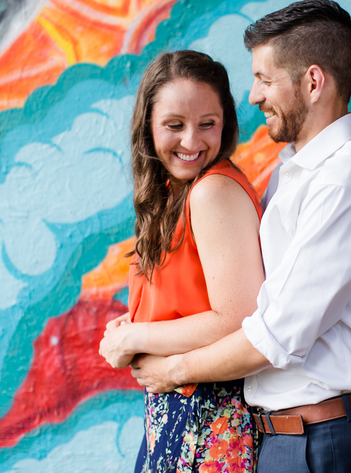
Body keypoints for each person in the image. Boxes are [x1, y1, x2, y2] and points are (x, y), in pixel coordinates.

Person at [130, 0, 351, 472]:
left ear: (313, 82)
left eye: (264, 78)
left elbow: (273, 335)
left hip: (327, 438)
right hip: (298, 434)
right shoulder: (297, 174)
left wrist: (169, 370)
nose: (254, 96)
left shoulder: (341, 186)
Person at [98, 50, 264, 473]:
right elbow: (185, 304)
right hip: (178, 412)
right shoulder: (178, 194)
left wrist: (135, 338)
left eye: (207, 124)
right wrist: (129, 331)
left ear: (224, 123)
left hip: (208, 418)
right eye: (175, 125)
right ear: (148, 126)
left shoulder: (213, 192)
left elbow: (238, 317)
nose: (192, 141)